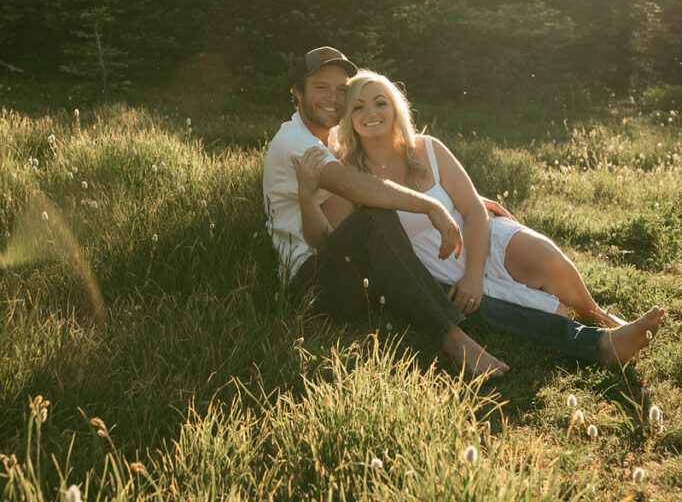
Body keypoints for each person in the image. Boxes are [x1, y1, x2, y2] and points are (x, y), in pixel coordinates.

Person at [291, 60, 664, 369]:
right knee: (542, 310)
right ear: (349, 119)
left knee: (547, 259)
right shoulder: (352, 177)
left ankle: (599, 314)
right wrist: (308, 197)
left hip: (478, 237)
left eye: (380, 102)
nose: (371, 113)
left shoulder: (429, 149)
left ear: (395, 108)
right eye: (358, 106)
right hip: (436, 267)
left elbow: (473, 211)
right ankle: (601, 343)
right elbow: (327, 241)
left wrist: (474, 273)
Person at [263, 46, 510, 377]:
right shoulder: (295, 140)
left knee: (429, 280)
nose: (333, 98)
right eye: (321, 87)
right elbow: (355, 186)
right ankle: (453, 339)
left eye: (341, 90)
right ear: (297, 93)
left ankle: (554, 328)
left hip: (340, 261)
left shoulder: (332, 136)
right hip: (308, 285)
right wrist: (431, 204)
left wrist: (462, 196)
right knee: (376, 219)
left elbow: (331, 230)